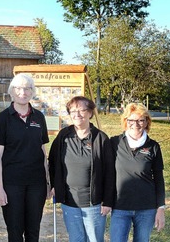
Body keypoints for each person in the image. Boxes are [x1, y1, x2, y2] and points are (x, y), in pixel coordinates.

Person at [0, 74, 50, 242]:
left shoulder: (39, 117)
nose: (22, 92)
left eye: (27, 88)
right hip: (11, 184)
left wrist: (47, 182)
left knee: (33, 231)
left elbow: (43, 151)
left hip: (36, 184)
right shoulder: (3, 118)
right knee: (15, 231)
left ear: (32, 92)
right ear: (11, 91)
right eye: (18, 88)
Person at [48, 96, 111, 242]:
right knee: (76, 239)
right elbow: (53, 161)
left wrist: (107, 201)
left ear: (90, 113)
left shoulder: (101, 138)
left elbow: (110, 173)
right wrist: (54, 185)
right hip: (69, 202)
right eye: (73, 111)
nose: (77, 114)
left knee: (94, 239)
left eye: (82, 110)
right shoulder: (64, 136)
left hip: (94, 204)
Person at [105, 103, 165, 242]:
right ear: (126, 121)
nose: (136, 124)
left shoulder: (153, 146)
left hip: (146, 208)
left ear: (146, 122)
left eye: (140, 120)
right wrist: (106, 201)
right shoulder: (115, 143)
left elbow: (159, 179)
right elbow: (108, 174)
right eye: (131, 120)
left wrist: (160, 208)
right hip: (120, 206)